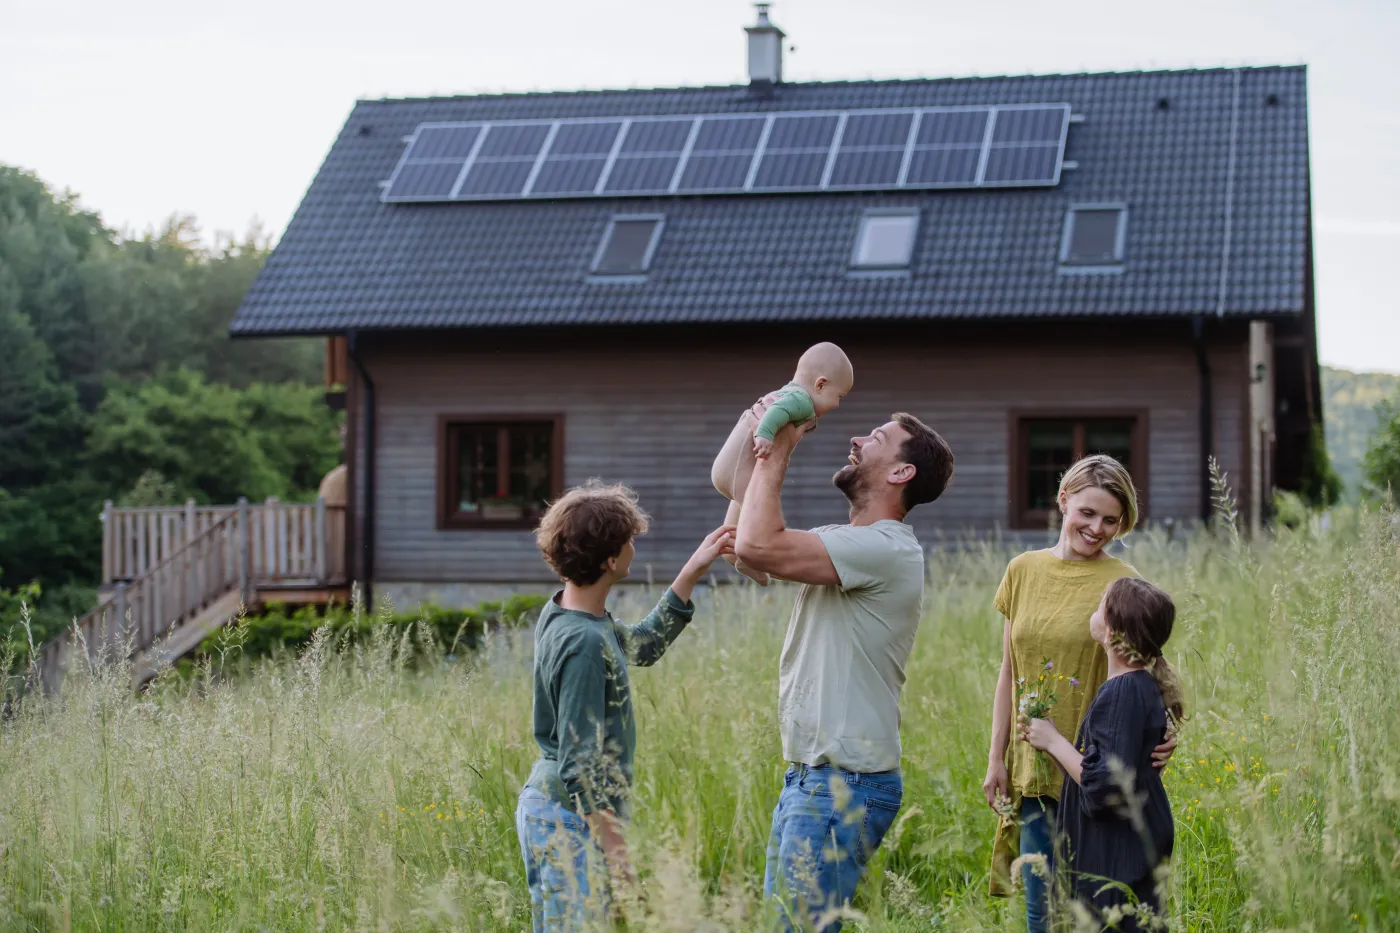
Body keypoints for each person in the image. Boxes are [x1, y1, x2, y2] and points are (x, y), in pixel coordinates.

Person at [736, 409, 955, 932]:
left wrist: (781, 451)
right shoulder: (848, 542)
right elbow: (742, 529)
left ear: (902, 473)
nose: (856, 439)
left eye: (876, 438)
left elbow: (756, 545)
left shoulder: (886, 549)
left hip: (842, 784)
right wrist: (757, 431)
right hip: (814, 778)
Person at [514, 480, 735, 932]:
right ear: (612, 560)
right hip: (568, 816)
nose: (636, 544)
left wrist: (692, 570)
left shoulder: (565, 612)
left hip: (558, 809)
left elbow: (641, 647)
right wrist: (620, 861)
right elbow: (581, 766)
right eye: (629, 539)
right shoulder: (583, 643)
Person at [981, 455, 1177, 933]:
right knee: (1041, 911)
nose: (1097, 528)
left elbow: (1147, 662)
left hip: (1093, 774)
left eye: (1111, 520)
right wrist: (997, 757)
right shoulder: (1022, 570)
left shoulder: (1120, 580)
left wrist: (1166, 726)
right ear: (1063, 500)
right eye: (1088, 513)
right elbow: (1010, 670)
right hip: (1036, 767)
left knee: (1093, 911)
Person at [1020, 577, 1183, 931]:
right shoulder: (1141, 684)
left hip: (1117, 851)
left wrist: (1052, 741)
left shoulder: (1121, 692)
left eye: (1099, 606)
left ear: (1111, 634)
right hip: (1135, 839)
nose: (1093, 611)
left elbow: (1105, 784)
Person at [712, 342, 854, 586]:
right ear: (820, 384)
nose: (837, 405)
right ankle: (750, 558)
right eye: (838, 396)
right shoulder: (800, 400)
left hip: (727, 469)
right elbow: (777, 412)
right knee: (763, 512)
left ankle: (732, 548)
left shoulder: (785, 393)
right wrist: (765, 435)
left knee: (742, 511)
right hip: (739, 472)